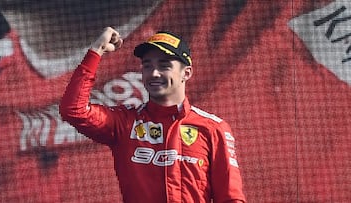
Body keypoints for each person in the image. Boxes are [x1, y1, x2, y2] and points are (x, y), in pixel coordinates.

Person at [59, 27, 246, 203]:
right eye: (147, 66)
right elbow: (74, 110)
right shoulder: (126, 122)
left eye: (164, 65)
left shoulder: (213, 128)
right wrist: (95, 51)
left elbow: (231, 197)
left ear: (186, 73)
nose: (154, 73)